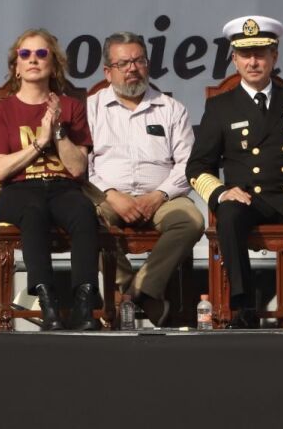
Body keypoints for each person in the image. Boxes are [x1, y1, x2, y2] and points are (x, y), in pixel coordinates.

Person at [187, 16, 283, 328]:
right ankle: (243, 306)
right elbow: (198, 166)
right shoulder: (220, 106)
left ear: (274, 57)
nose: (253, 62)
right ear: (235, 59)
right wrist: (222, 192)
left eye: (261, 54)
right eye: (245, 55)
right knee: (228, 215)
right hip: (247, 199)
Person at [0, 29, 99, 331]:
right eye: (25, 54)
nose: (33, 59)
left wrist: (57, 132)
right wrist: (38, 142)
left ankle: (84, 302)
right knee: (33, 211)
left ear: (54, 64)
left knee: (83, 211)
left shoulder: (70, 107)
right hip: (18, 189)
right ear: (16, 67)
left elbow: (76, 169)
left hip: (62, 186)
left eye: (41, 54)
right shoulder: (2, 111)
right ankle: (46, 301)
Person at [86, 31, 204, 326]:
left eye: (138, 60)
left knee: (192, 220)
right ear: (107, 71)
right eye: (123, 62)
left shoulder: (171, 109)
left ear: (148, 65)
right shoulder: (90, 109)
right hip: (107, 198)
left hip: (162, 197)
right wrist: (112, 195)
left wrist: (158, 196)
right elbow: (81, 166)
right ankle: (135, 290)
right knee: (85, 219)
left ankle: (138, 290)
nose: (132, 68)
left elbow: (188, 164)